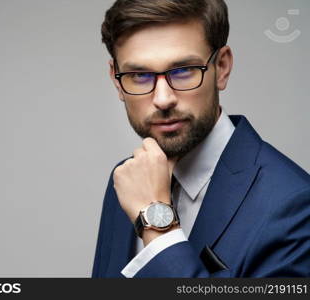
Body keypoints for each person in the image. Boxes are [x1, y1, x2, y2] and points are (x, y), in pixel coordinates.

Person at [92, 0, 310, 278]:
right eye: (139, 75)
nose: (162, 99)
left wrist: (157, 226)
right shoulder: (125, 180)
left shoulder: (295, 206)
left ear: (222, 67)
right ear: (116, 80)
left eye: (183, 70)